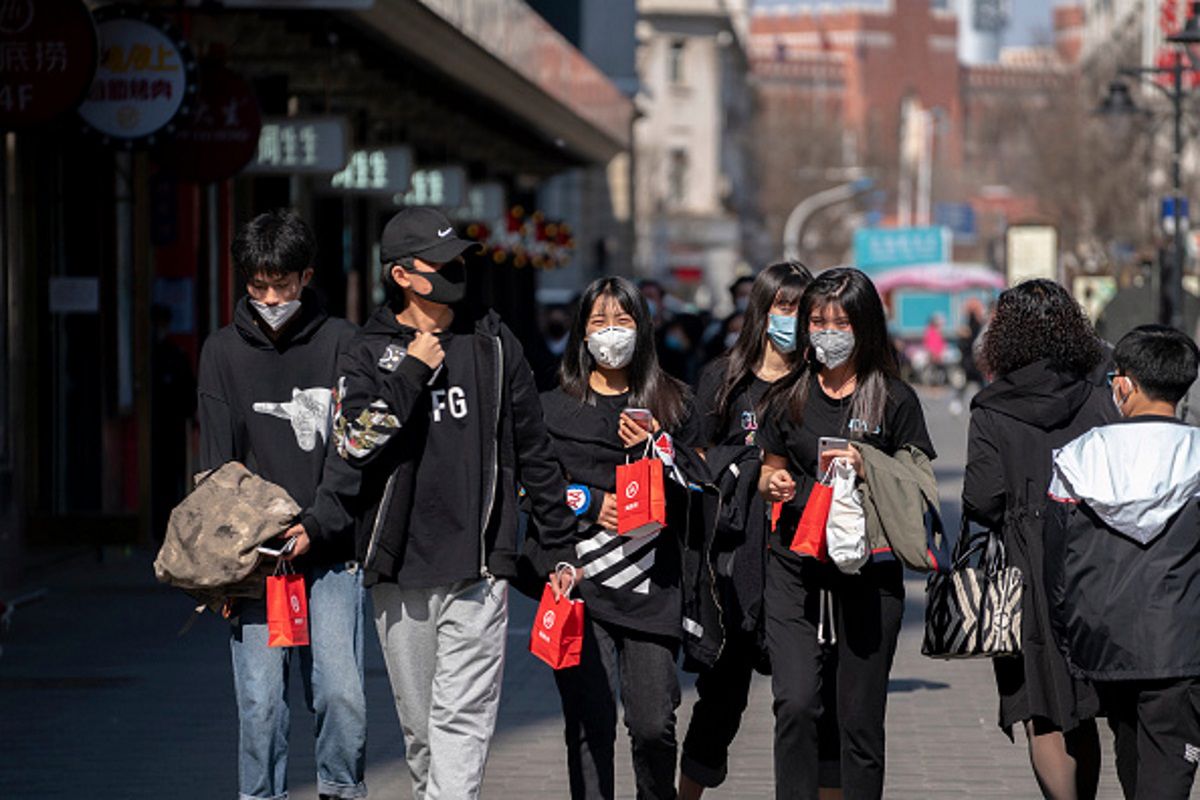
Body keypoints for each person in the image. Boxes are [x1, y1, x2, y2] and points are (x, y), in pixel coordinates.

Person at [330, 207, 577, 800]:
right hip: (400, 564)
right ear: (403, 275)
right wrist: (412, 370)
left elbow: (534, 446)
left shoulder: (492, 342)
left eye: (458, 258)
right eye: (440, 263)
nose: (455, 270)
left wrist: (559, 542)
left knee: (460, 721)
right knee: (421, 732)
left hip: (481, 564)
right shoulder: (367, 352)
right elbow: (355, 443)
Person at [196, 209, 366, 800]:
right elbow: (217, 466)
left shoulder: (344, 342)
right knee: (260, 705)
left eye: (282, 284)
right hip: (256, 559)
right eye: (258, 285)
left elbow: (354, 450)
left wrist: (317, 525)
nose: (270, 298)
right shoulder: (221, 353)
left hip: (332, 551)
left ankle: (341, 790)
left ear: (306, 277)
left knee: (341, 693)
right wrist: (220, 571)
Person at [757, 267, 935, 800]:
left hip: (870, 569)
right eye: (817, 320)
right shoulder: (788, 395)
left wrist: (868, 464)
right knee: (795, 704)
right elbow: (768, 466)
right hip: (795, 564)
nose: (827, 332)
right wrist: (774, 482)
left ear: (864, 326)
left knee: (859, 722)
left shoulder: (894, 399)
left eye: (840, 321)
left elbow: (921, 482)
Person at [681, 260, 849, 799]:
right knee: (721, 698)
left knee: (812, 697)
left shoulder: (818, 382)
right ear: (761, 310)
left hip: (802, 553)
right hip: (735, 560)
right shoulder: (724, 377)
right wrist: (747, 467)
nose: (791, 319)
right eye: (782, 307)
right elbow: (698, 456)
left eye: (801, 309)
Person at [537, 276, 707, 800]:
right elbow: (535, 491)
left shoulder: (675, 403)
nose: (611, 334)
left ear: (644, 327)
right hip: (580, 586)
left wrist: (659, 443)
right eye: (599, 322)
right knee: (590, 724)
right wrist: (589, 502)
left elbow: (703, 489)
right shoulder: (554, 408)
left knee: (655, 725)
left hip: (653, 588)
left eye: (623, 321)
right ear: (581, 333)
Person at [961, 278, 1117, 800]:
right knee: (1084, 705)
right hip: (1092, 557)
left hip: (1025, 567)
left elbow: (982, 498)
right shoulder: (1100, 400)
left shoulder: (991, 409)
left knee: (1040, 706)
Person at [1044, 325, 1200, 800]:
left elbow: (1057, 561)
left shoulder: (1079, 457)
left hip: (1103, 644)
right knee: (1167, 771)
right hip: (1181, 648)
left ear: (1125, 383)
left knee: (1131, 764)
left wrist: (1068, 634)